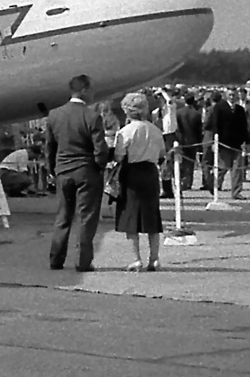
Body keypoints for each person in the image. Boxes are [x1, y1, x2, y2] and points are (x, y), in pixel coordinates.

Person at [45, 74, 109, 271]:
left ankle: (56, 259)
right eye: (91, 89)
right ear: (85, 90)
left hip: (63, 170)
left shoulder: (54, 115)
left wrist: (52, 170)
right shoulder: (92, 116)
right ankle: (82, 261)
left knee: (63, 216)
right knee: (85, 217)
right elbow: (100, 149)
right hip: (86, 171)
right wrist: (100, 166)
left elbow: (50, 147)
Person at [114, 92, 166, 272]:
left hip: (132, 173)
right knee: (152, 215)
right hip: (150, 173)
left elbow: (119, 156)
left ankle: (136, 259)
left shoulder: (125, 131)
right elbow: (161, 154)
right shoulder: (155, 130)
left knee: (131, 217)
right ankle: (155, 258)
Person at [175, 94, 202, 192]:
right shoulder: (196, 114)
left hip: (181, 140)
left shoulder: (178, 112)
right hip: (193, 141)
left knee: (181, 162)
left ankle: (181, 181)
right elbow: (199, 130)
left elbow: (177, 128)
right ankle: (188, 182)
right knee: (190, 163)